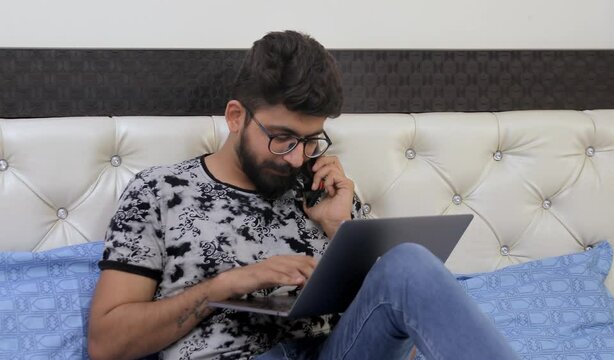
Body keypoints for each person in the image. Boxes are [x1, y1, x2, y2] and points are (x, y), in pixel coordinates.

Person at [88, 30, 519, 360]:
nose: (298, 158)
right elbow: (107, 343)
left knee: (408, 263)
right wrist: (228, 284)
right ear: (236, 117)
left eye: (311, 140)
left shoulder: (323, 192)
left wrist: (339, 225)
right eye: (282, 138)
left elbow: (398, 324)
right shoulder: (159, 191)